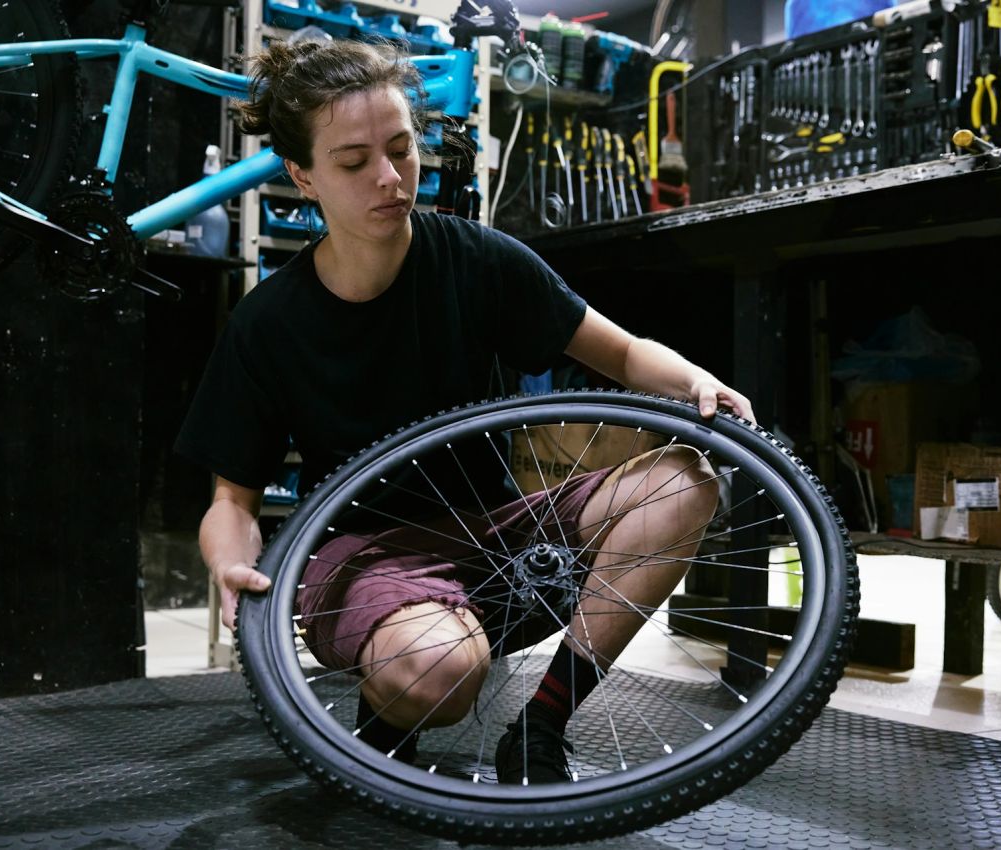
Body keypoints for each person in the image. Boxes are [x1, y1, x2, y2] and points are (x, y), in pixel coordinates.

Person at [175, 36, 755, 784]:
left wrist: (697, 382)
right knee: (439, 671)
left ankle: (541, 725)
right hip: (365, 555)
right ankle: (392, 709)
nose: (390, 178)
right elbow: (232, 501)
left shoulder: (477, 259)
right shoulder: (267, 323)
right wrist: (229, 564)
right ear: (303, 176)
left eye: (401, 149)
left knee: (683, 482)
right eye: (353, 163)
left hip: (498, 535)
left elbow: (622, 353)